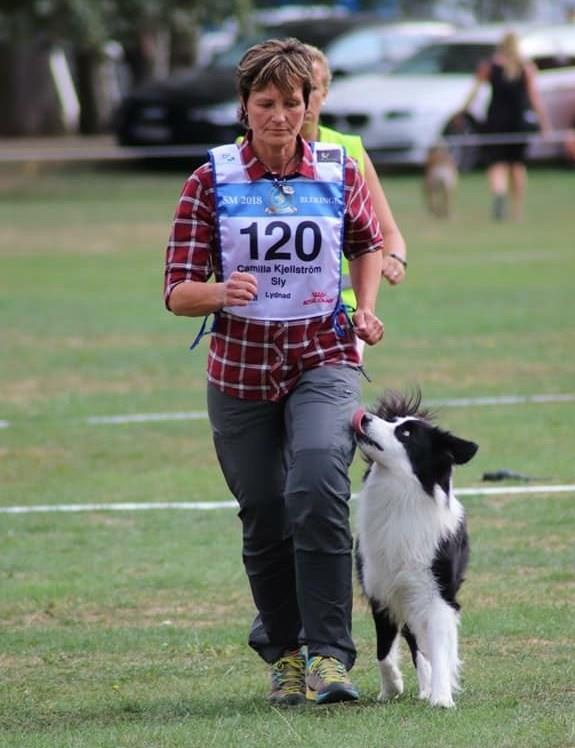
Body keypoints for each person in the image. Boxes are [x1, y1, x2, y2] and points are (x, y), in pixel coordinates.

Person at [164, 38, 384, 706]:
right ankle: (285, 654)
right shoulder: (211, 179)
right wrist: (222, 291)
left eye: (294, 102)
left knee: (317, 482)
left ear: (311, 103)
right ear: (245, 107)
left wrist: (367, 310)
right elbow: (177, 291)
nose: (281, 115)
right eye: (267, 103)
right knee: (263, 511)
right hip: (240, 370)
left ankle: (331, 659)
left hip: (323, 356)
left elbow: (368, 242)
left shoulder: (336, 170)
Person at [301, 44, 408, 305]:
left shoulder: (348, 151)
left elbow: (389, 233)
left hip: (342, 310)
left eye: (312, 89)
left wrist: (395, 258)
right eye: (294, 90)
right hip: (271, 308)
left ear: (325, 92)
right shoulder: (245, 153)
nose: (303, 100)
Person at [461, 31, 550, 221]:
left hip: (495, 122)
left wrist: (462, 111)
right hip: (518, 122)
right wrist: (544, 123)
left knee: (496, 164)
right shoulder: (526, 68)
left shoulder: (490, 66)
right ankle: (517, 209)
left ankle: (499, 193)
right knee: (517, 165)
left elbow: (473, 93)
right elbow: (535, 99)